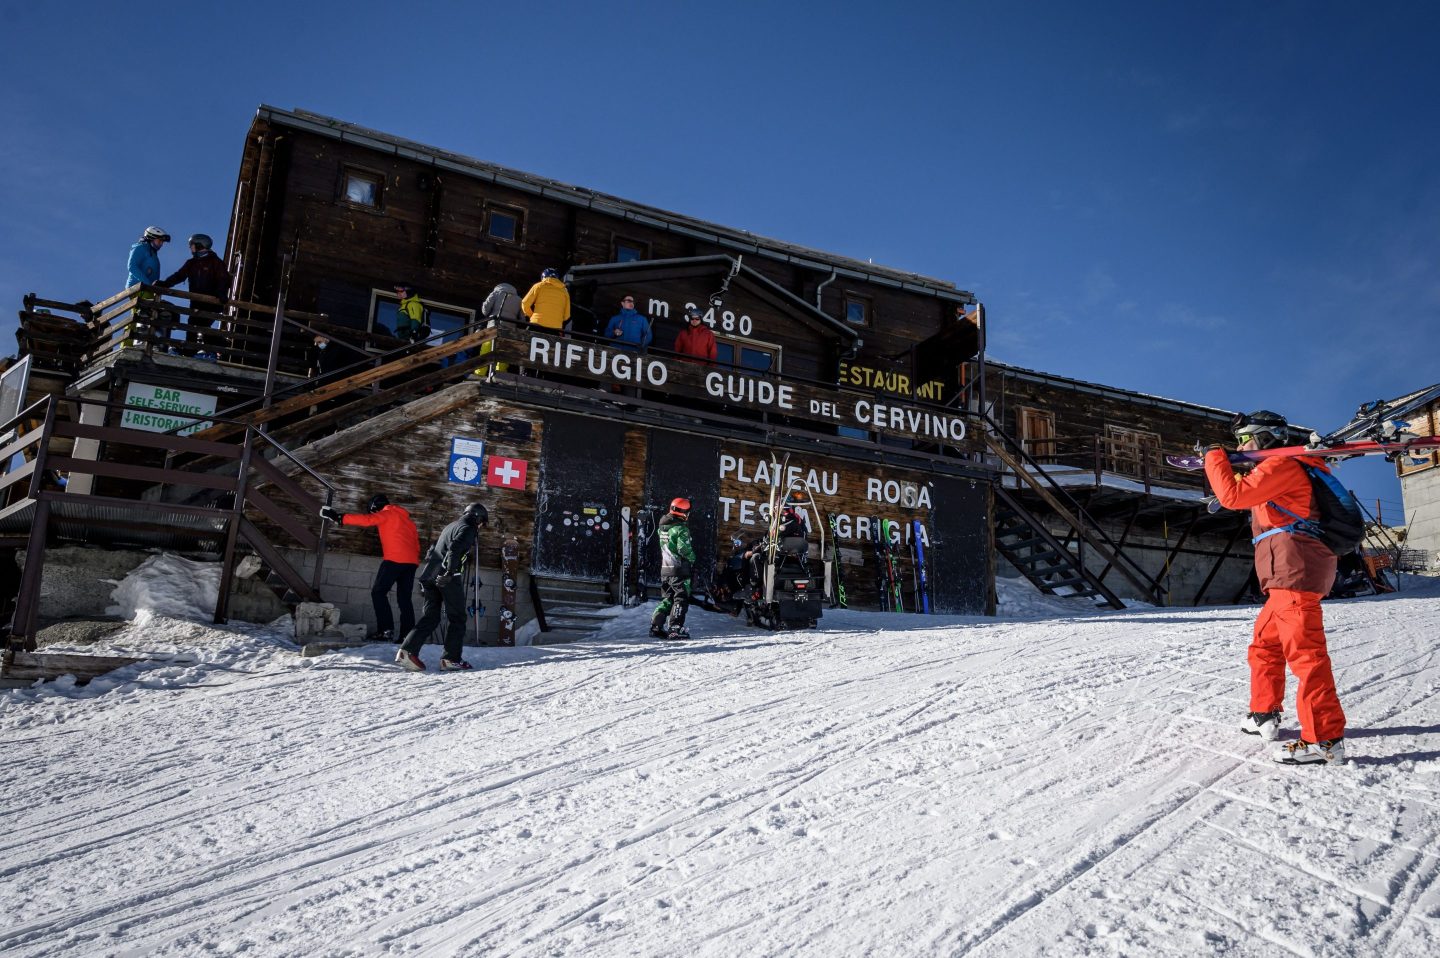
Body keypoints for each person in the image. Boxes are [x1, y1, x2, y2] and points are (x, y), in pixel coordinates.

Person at [1204, 410, 1347, 766]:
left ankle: (1324, 740)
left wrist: (1214, 456)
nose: (1241, 446)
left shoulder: (1282, 466)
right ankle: (1263, 714)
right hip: (1285, 576)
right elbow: (1247, 495)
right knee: (1265, 645)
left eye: (1244, 439)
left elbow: (1233, 496)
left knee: (1306, 655)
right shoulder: (1278, 469)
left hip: (1294, 573)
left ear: (1265, 438)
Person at [396, 502, 489, 671]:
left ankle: (407, 651)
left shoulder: (451, 526)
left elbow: (432, 550)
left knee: (431, 617)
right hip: (447, 577)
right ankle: (451, 659)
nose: (481, 526)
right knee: (458, 618)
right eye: (482, 522)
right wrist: (449, 572)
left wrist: (432, 572)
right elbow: (455, 549)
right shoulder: (469, 528)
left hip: (430, 575)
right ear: (477, 518)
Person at [320, 494, 420, 642]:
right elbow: (417, 544)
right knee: (404, 599)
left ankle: (386, 631)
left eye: (372, 510)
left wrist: (339, 517)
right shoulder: (408, 520)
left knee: (378, 593)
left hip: (394, 560)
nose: (373, 514)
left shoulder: (387, 513)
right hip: (411, 563)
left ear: (375, 507)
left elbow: (367, 520)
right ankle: (408, 636)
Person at [159, 233, 230, 358]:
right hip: (196, 302)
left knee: (202, 325)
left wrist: (221, 293)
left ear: (199, 245)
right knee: (193, 324)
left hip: (211, 302)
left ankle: (217, 348)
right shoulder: (191, 263)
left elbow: (223, 279)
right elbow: (179, 276)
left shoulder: (215, 262)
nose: (190, 248)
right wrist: (165, 284)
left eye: (191, 245)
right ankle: (191, 351)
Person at [649, 497, 695, 640]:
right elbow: (683, 549)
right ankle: (675, 628)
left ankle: (656, 626)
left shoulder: (662, 528)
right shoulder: (680, 528)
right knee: (680, 598)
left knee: (668, 598)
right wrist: (692, 558)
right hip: (679, 569)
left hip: (665, 568)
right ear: (683, 512)